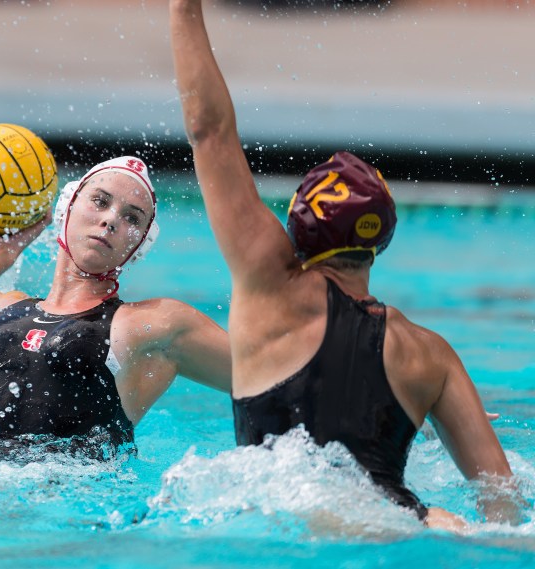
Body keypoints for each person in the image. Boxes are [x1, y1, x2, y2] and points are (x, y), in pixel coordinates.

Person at [168, 0, 523, 529]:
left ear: (298, 229)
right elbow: (506, 508)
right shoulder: (431, 355)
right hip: (399, 528)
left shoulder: (272, 284)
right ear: (382, 237)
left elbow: (209, 130)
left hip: (275, 519)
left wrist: (183, 9)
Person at [0, 155, 230, 472]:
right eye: (99, 201)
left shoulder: (150, 325)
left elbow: (263, 372)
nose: (111, 220)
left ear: (140, 246)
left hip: (50, 508)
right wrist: (7, 248)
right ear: (67, 207)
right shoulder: (2, 311)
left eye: (132, 219)